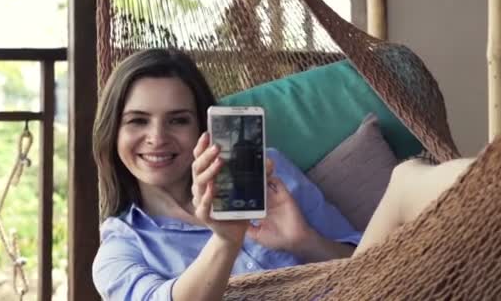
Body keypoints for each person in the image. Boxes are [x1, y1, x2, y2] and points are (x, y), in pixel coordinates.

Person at [91, 48, 474, 301]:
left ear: (202, 127)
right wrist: (226, 240)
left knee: (407, 178)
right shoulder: (122, 249)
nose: (157, 137)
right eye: (137, 121)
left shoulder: (266, 170)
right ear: (112, 134)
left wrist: (304, 240)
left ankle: (488, 185)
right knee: (408, 179)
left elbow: (364, 263)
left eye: (178, 120)